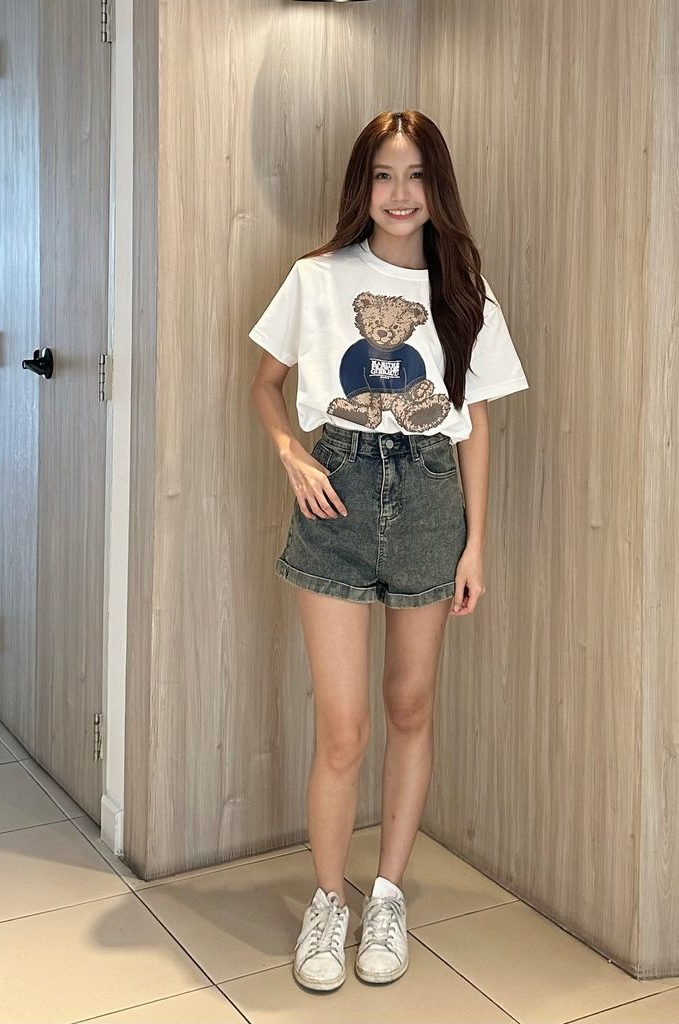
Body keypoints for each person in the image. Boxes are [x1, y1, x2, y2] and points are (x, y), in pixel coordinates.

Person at [249, 110, 530, 992]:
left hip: (429, 500)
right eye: (382, 175)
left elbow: (475, 422)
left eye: (415, 175)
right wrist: (291, 453)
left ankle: (387, 895)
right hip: (334, 494)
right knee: (345, 729)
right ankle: (327, 902)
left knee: (410, 708)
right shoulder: (317, 276)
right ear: (361, 186)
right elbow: (266, 384)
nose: (400, 194)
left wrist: (476, 544)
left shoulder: (465, 290)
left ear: (436, 186)